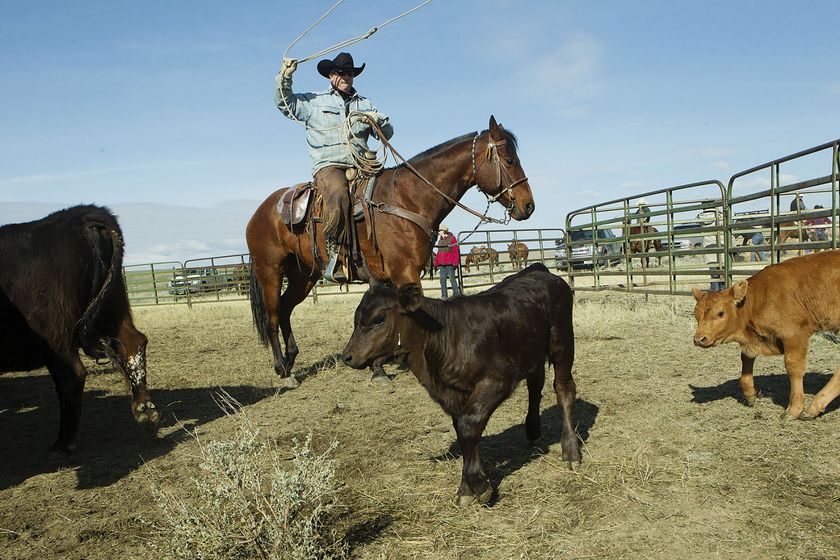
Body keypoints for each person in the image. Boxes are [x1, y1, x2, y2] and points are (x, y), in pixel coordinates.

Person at [275, 52, 394, 282]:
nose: (346, 77)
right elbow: (285, 103)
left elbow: (387, 134)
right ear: (331, 76)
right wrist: (285, 76)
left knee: (390, 192)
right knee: (338, 193)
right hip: (330, 167)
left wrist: (378, 121)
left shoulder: (365, 104)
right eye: (341, 73)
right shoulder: (314, 102)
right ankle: (336, 254)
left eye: (349, 73)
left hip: (363, 165)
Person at [433, 225, 461, 300]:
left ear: (443, 231)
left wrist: (455, 263)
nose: (439, 232)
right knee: (442, 280)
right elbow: (439, 252)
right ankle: (444, 296)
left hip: (450, 264)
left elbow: (455, 251)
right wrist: (436, 263)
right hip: (442, 265)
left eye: (439, 231)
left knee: (452, 279)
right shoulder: (440, 240)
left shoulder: (452, 238)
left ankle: (456, 294)